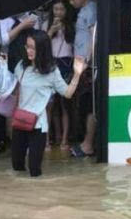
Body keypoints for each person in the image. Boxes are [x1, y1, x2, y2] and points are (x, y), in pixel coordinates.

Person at [11, 29, 86, 177]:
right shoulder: (21, 66)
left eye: (33, 47)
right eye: (27, 46)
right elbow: (18, 91)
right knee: (17, 167)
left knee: (34, 170)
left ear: (42, 49)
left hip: (38, 125)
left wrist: (77, 74)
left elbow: (68, 93)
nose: (29, 51)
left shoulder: (52, 71)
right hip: (20, 122)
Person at [64, 0, 97, 158]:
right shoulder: (83, 10)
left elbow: (93, 36)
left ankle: (88, 145)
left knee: (91, 105)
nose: (71, 2)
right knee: (84, 105)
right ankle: (86, 142)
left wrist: (89, 63)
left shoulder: (90, 9)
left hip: (88, 67)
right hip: (82, 67)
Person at [42, 0, 75, 151]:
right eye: (56, 9)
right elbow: (41, 45)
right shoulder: (45, 26)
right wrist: (51, 31)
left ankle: (64, 140)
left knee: (64, 105)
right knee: (49, 105)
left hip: (66, 65)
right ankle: (48, 139)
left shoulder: (71, 27)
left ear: (66, 11)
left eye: (61, 9)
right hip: (50, 65)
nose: (58, 12)